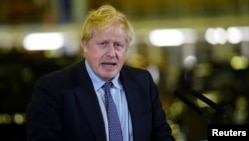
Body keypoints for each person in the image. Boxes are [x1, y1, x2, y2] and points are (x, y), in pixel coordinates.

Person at [26, 4, 175, 141]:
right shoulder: (53, 88)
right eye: (103, 44)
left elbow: (162, 135)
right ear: (85, 45)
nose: (111, 53)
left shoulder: (143, 81)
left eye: (118, 45)